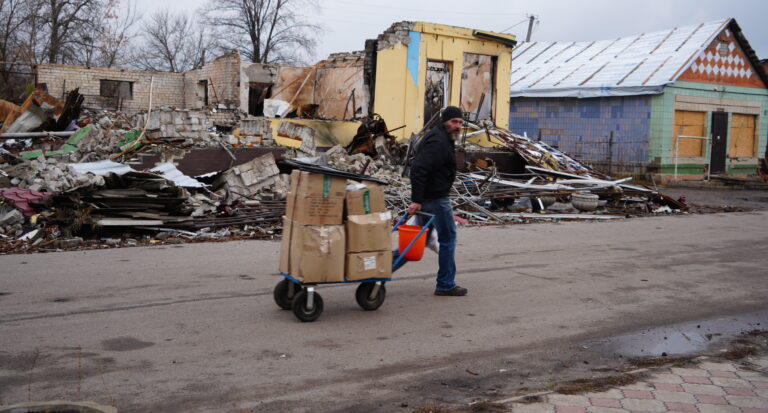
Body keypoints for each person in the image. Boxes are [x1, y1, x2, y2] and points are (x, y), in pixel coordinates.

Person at [404, 106, 467, 296]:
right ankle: (446, 284)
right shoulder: (439, 141)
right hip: (436, 200)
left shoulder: (442, 137)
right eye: (453, 122)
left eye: (460, 123)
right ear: (444, 121)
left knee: (418, 241)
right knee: (448, 239)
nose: (457, 126)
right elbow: (419, 169)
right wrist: (416, 200)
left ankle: (384, 270)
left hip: (430, 198)